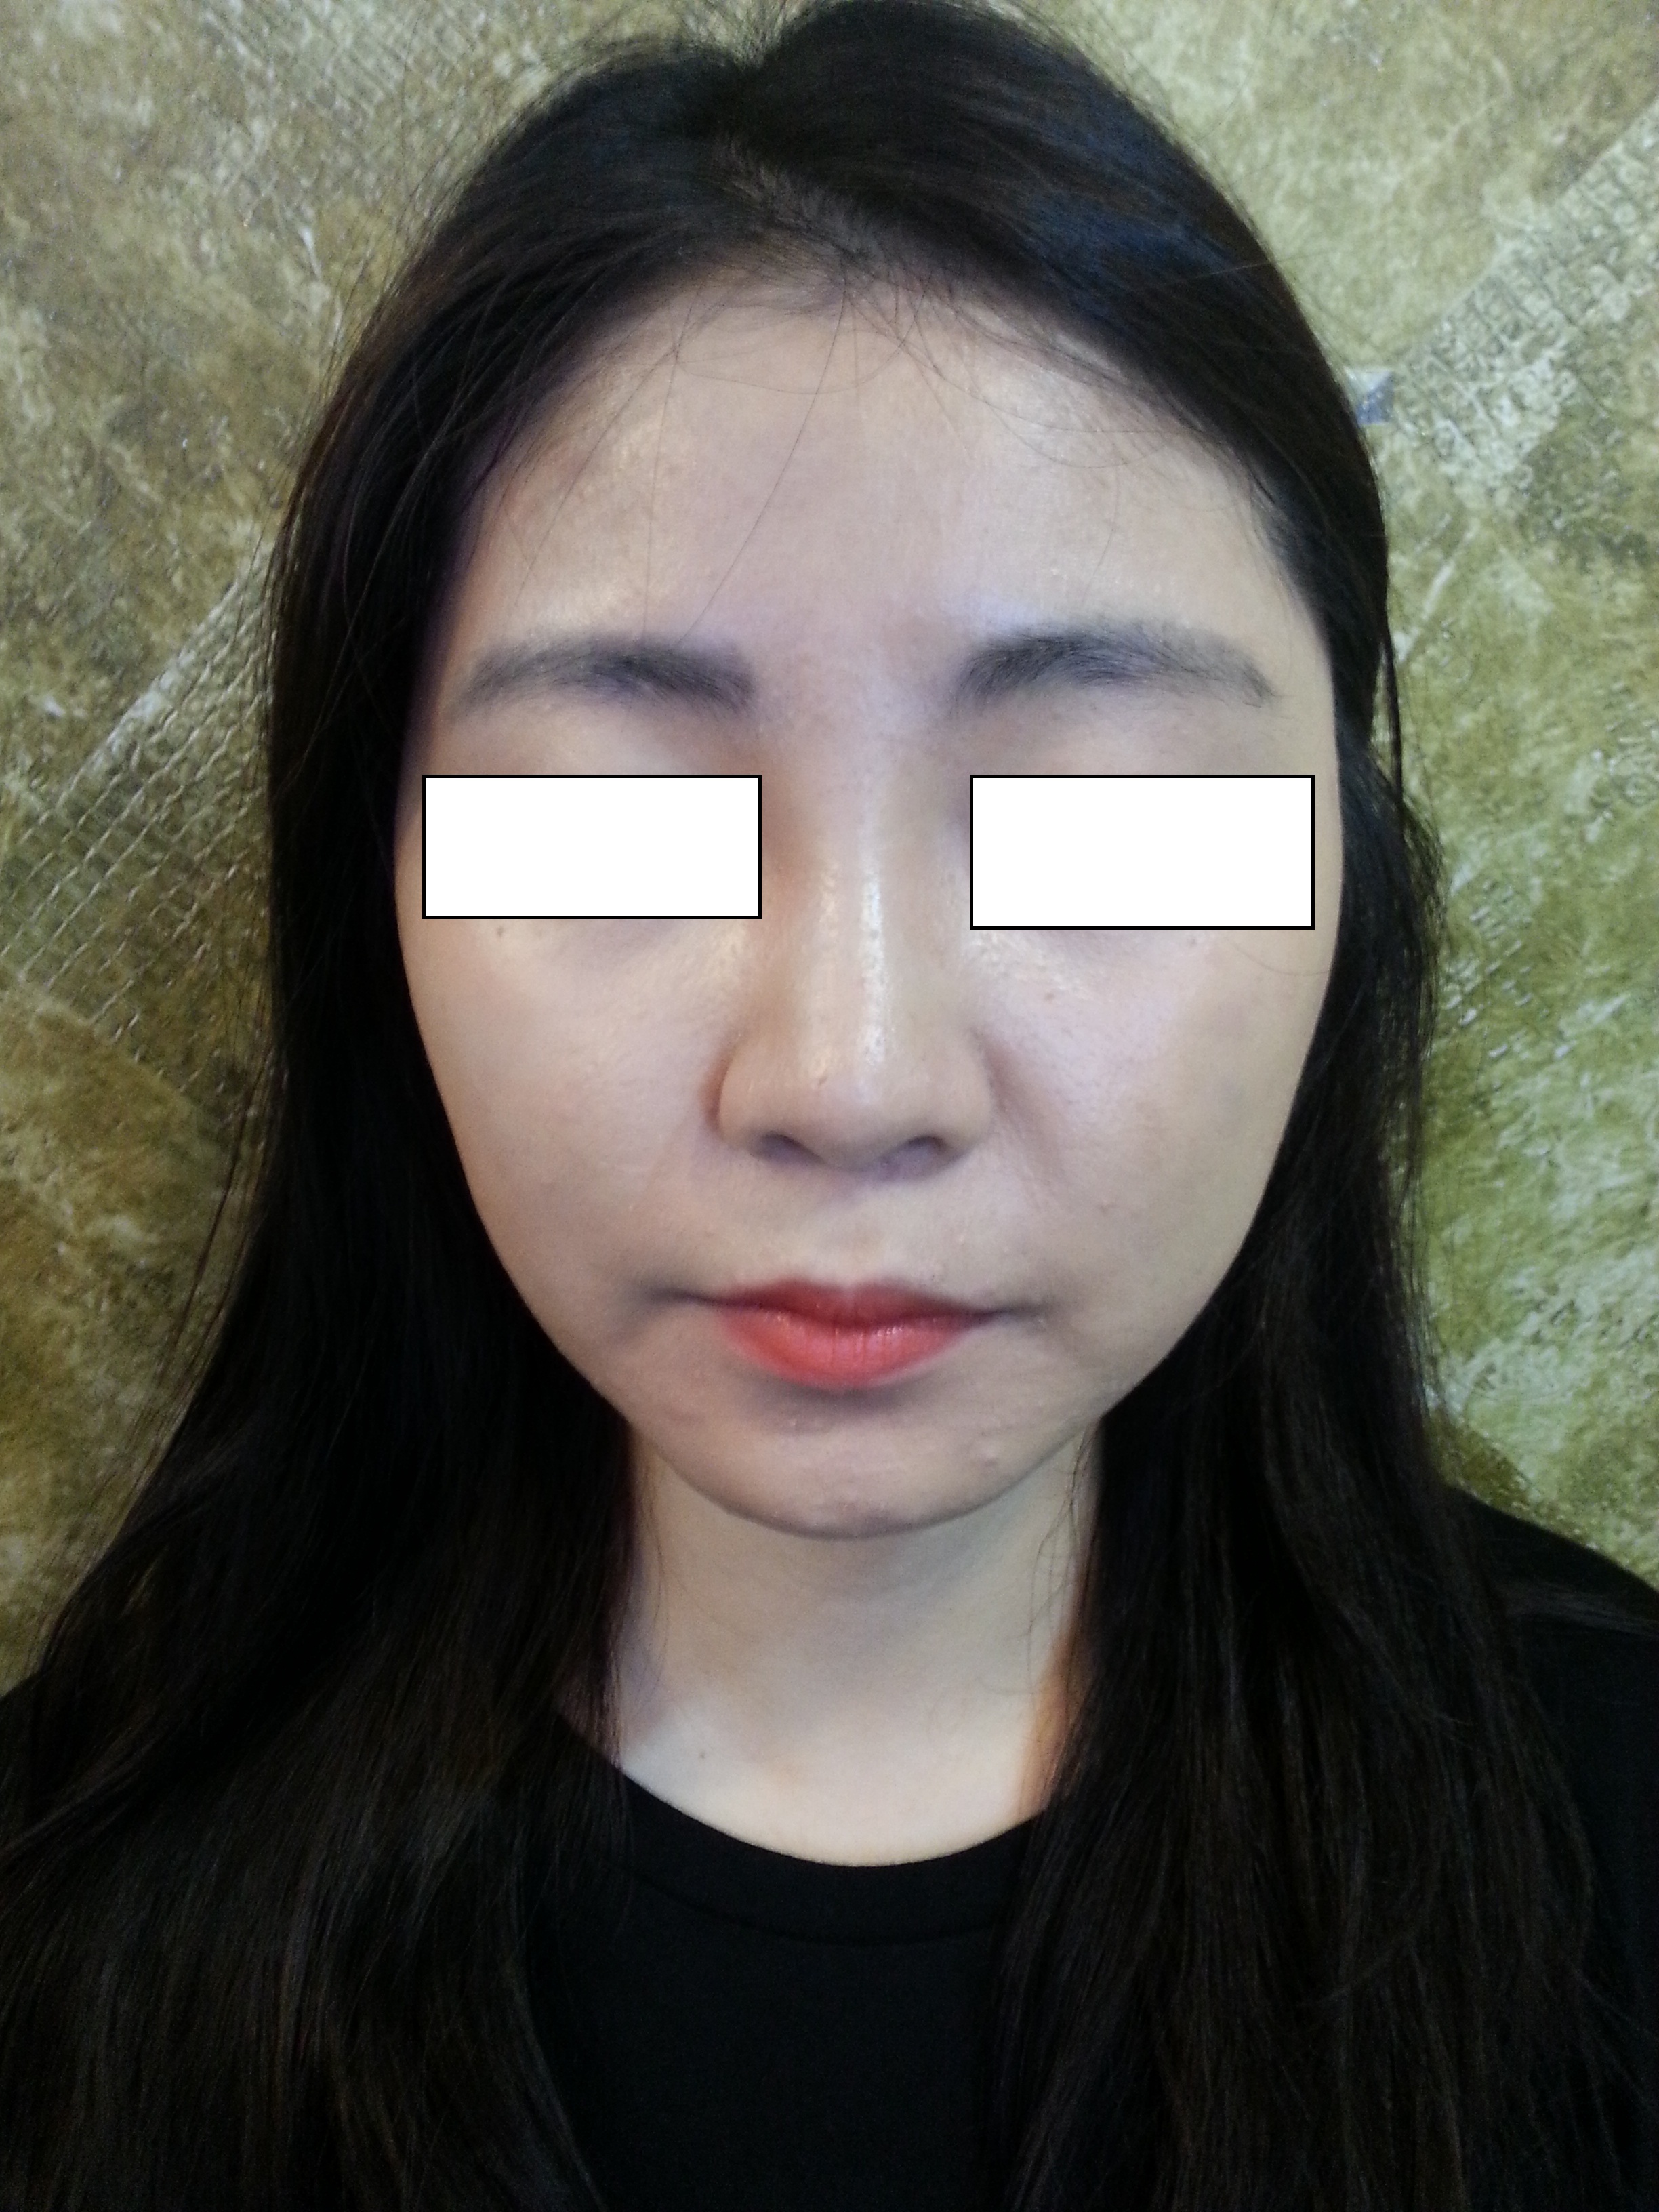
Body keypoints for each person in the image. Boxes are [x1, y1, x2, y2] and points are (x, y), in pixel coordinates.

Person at [0, 2, 1654, 2206]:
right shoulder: (67, 1933)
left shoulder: (1615, 1835)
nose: (851, 1081)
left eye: (1109, 826)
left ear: (1346, 896)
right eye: (611, 828)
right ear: (376, 904)